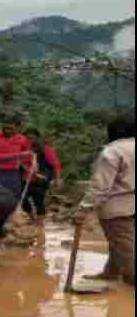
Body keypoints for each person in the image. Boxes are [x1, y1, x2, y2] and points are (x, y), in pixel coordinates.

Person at [73, 110, 134, 286]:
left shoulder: (113, 151)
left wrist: (84, 209)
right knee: (121, 243)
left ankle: (130, 279)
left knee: (125, 247)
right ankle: (111, 272)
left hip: (117, 208)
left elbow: (100, 186)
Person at [0, 114, 33, 197]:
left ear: (19, 128)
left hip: (12, 174)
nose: (8, 131)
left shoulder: (23, 139)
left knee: (12, 200)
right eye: (5, 128)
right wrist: (17, 155)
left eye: (11, 129)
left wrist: (30, 167)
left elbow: (28, 156)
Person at [21, 128, 62, 224]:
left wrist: (57, 179)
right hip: (25, 178)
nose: (29, 140)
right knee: (23, 201)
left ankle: (39, 222)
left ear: (38, 138)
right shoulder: (22, 149)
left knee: (38, 200)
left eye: (31, 138)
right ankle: (32, 218)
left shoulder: (46, 149)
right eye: (27, 138)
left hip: (40, 179)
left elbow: (56, 165)